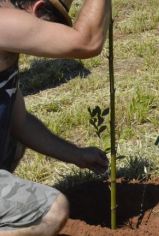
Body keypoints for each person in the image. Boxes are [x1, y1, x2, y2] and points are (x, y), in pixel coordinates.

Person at [0, 0, 111, 235]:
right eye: (55, 24)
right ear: (38, 9)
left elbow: (20, 123)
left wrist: (77, 155)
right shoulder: (3, 21)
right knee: (52, 211)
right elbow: (87, 42)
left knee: (13, 140)